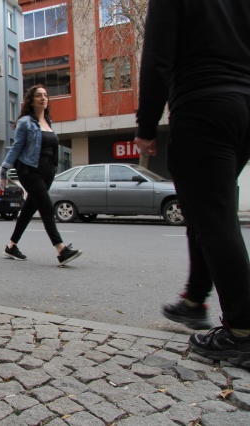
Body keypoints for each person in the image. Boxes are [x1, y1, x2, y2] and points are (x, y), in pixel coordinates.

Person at [135, 0, 250, 366]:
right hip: (243, 107)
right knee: (204, 210)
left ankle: (242, 330)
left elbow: (156, 58)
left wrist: (146, 127)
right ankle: (194, 299)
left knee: (214, 218)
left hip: (202, 106)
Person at [0, 85, 82, 266]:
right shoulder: (25, 122)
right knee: (46, 207)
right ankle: (61, 250)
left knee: (29, 209)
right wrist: (4, 169)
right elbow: (16, 147)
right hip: (29, 171)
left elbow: (52, 149)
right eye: (38, 95)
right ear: (31, 100)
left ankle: (11, 246)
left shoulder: (48, 122)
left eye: (45, 95)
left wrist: (54, 168)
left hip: (47, 172)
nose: (43, 98)